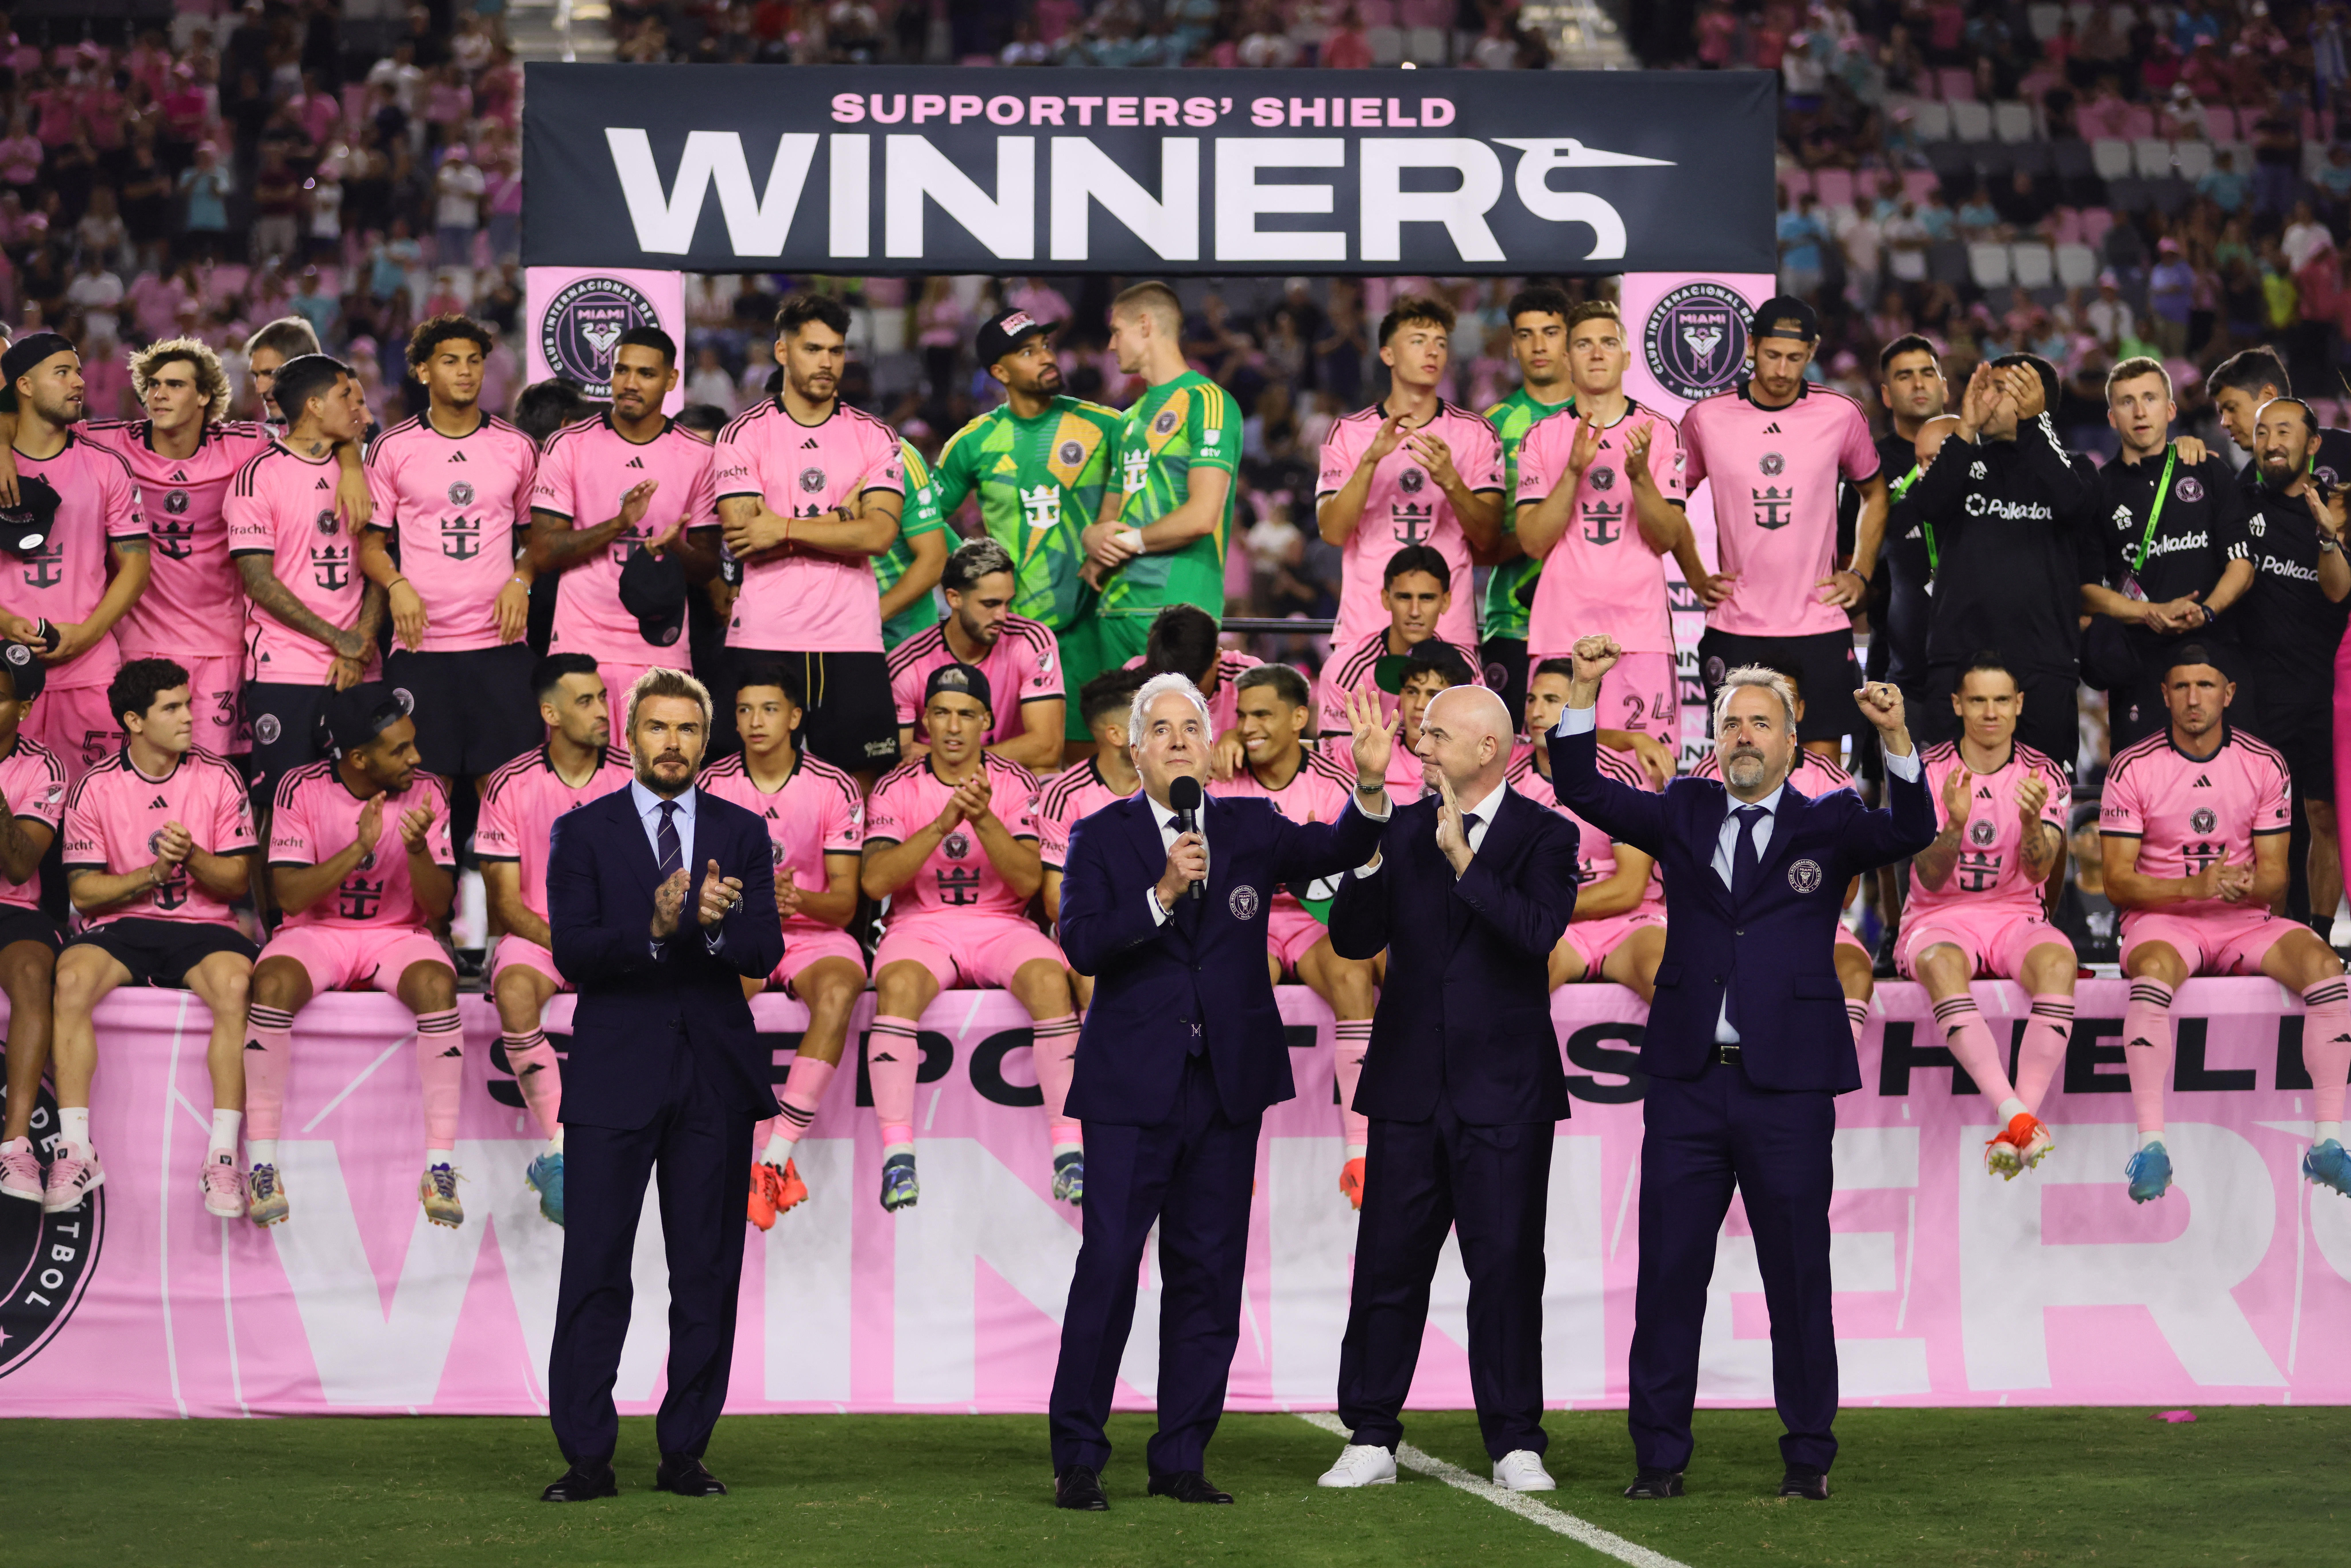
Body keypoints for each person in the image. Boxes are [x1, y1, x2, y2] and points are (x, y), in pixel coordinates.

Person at [1549, 635, 1933, 1502]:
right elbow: (1579, 787)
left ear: (1794, 743)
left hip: (1788, 1085)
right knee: (1668, 1273)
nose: (1747, 737)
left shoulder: (1829, 822)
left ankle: (1807, 1457)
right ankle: (1657, 1460)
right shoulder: (1681, 809)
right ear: (1713, 738)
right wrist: (1582, 691)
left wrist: (1899, 741)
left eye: (1764, 724)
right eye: (1733, 724)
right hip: (1687, 1081)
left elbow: (1913, 827)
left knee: (1797, 1275)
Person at [1046, 674, 1395, 1512]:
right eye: (1158, 728)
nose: (1175, 739)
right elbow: (1083, 943)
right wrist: (1162, 895)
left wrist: (1374, 788)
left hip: (1225, 1086)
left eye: (1189, 726)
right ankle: (1080, 1458)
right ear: (1134, 751)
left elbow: (1334, 851)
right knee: (1107, 1269)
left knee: (1208, 1275)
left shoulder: (1248, 823)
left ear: (1209, 745)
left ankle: (1181, 1456)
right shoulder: (1099, 837)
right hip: (1132, 1088)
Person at [1317, 682, 1578, 1494]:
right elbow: (1353, 936)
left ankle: (1515, 1441)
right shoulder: (1394, 829)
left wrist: (1465, 860)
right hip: (1406, 1087)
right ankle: (1369, 1433)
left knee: (1506, 1270)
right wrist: (1366, 813)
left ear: (1487, 750)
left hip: (1506, 1092)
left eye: (1434, 736)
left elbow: (1536, 934)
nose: (1418, 745)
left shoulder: (1547, 837)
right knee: (1387, 1269)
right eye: (1420, 735)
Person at [541, 667, 784, 1503]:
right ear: (631, 735)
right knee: (596, 1269)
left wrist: (713, 932)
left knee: (707, 1274)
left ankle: (685, 1453)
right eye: (657, 728)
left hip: (714, 1077)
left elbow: (765, 950)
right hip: (615, 1072)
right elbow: (572, 951)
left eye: (687, 729)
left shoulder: (742, 831)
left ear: (702, 739)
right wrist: (653, 927)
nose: (672, 743)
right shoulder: (583, 833)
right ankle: (586, 1460)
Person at [2099, 647, 2351, 1203]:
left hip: (2242, 920)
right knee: (2155, 971)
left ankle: (2328, 1141)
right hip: (2163, 919)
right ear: (2164, 694)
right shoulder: (2131, 765)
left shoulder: (2264, 763)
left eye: (2206, 686)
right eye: (2182, 687)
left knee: (2326, 968)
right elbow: (2117, 883)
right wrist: (2196, 886)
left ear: (2228, 693)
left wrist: (2242, 886)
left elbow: (2275, 879)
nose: (2194, 699)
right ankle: (2152, 1145)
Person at [44, 658, 258, 1216]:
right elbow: (85, 894)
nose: (191, 716)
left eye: (188, 703)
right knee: (68, 979)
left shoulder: (218, 775)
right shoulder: (95, 786)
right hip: (124, 925)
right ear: (135, 721)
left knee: (236, 986)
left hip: (203, 926)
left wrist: (191, 857)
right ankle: (74, 1147)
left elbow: (238, 882)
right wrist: (152, 875)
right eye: (173, 707)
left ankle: (223, 1158)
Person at [242, 684, 457, 1228]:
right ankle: (263, 1161)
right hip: (319, 931)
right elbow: (290, 897)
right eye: (400, 750)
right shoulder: (301, 787)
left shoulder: (429, 790)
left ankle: (440, 1164)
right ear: (359, 758)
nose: (417, 758)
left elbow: (438, 907)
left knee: (437, 986)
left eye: (413, 744)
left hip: (394, 932)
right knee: (270, 986)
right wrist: (360, 846)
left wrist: (416, 850)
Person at [861, 664, 1075, 1208]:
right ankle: (897, 1157)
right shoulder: (895, 784)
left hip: (1001, 922)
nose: (952, 726)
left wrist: (982, 820)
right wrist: (939, 824)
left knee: (1052, 979)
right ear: (926, 720)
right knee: (900, 985)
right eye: (941, 713)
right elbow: (874, 881)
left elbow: (1029, 882)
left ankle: (1069, 1152)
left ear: (986, 721)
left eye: (965, 714)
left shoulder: (1015, 781)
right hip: (921, 925)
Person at [1678, 296, 1888, 757]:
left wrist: (1861, 571)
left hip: (1818, 619)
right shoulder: (1707, 418)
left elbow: (1875, 493)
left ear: (1812, 352)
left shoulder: (1840, 414)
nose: (1782, 369)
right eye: (1772, 355)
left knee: (1821, 765)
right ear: (1751, 346)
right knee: (1739, 761)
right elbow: (1671, 501)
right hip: (1738, 621)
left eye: (1795, 358)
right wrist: (1695, 574)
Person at [710, 293, 906, 779]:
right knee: (751, 782)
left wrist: (785, 526)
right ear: (782, 352)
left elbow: (879, 535)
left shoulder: (875, 435)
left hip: (851, 636)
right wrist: (844, 518)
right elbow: (745, 536)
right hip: (765, 633)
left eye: (836, 351)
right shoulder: (743, 434)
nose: (827, 362)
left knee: (860, 783)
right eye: (813, 349)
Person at [698, 664, 867, 1227]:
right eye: (744, 710)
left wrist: (799, 900)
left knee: (842, 990)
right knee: (707, 999)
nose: (754, 722)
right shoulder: (712, 785)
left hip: (813, 935)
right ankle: (731, 1146)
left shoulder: (834, 785)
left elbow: (844, 905)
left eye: (768, 709)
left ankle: (774, 1156)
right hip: (742, 933)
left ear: (794, 716)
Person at [1899, 653, 2079, 1176]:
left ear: (2019, 705)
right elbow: (1928, 878)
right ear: (1957, 705)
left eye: (2001, 699)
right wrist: (1953, 825)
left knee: (2059, 963)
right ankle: (2017, 1115)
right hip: (1940, 913)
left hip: (2013, 913)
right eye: (1977, 699)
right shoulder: (1926, 771)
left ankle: (2018, 1119)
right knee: (1940, 963)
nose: (1990, 712)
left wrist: (2029, 820)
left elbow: (2040, 871)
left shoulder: (2043, 775)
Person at [1212, 662, 1382, 1204]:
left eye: (1263, 714)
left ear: (1299, 718)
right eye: (1241, 715)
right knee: (1229, 988)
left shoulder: (1333, 784)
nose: (1248, 726)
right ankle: (1226, 1156)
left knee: (1354, 975)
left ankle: (1361, 1152)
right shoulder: (1219, 779)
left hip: (1314, 919)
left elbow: (1358, 876)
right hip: (1248, 920)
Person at [476, 654, 636, 1227]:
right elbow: (505, 903)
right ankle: (565, 1145)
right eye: (587, 701)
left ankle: (565, 1161)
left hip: (617, 933)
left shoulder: (633, 776)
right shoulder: (509, 781)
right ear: (551, 712)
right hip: (539, 935)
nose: (603, 711)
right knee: (516, 990)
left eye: (603, 698)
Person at [361, 315, 543, 811]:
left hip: (499, 645)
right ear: (423, 371)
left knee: (504, 797)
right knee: (422, 799)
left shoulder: (516, 446)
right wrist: (397, 584)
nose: (465, 372)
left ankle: (508, 894)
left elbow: (541, 540)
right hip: (422, 648)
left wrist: (522, 577)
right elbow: (370, 546)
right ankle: (426, 893)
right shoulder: (393, 447)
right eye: (450, 361)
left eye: (474, 361)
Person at [928, 307, 1122, 736]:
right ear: (1000, 371)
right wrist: (971, 566)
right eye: (1027, 352)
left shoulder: (1107, 426)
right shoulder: (972, 443)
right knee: (1020, 763)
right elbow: (922, 517)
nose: (1047, 358)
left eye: (1046, 347)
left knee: (1095, 762)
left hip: (1097, 623)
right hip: (1014, 635)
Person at [1512, 301, 1697, 751]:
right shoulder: (1541, 436)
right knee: (1558, 765)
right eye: (1584, 344)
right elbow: (1533, 541)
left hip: (1641, 633)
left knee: (1647, 773)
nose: (1597, 354)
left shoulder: (1658, 430)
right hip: (1562, 631)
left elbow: (1667, 537)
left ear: (1626, 358)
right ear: (1567, 359)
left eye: (1609, 343)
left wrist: (1640, 478)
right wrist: (1573, 472)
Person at [1908, 356, 2100, 766]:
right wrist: (1965, 429)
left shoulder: (2077, 468)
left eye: (2000, 388)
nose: (1985, 397)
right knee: (1945, 797)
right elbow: (1927, 504)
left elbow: (2073, 507)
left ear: (2035, 400)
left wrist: (2035, 427)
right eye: (1985, 387)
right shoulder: (1964, 461)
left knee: (2043, 803)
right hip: (1958, 660)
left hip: (2043, 665)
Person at [227, 354, 388, 809]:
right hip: (287, 671)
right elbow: (259, 583)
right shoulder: (258, 478)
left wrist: (360, 644)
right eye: (345, 397)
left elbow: (379, 565)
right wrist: (343, 641)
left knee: (367, 807)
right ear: (315, 406)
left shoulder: (365, 474)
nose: (358, 409)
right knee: (279, 809)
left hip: (361, 667)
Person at [529, 326, 721, 701]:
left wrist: (674, 548)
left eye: (646, 374)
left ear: (671, 380)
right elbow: (544, 553)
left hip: (661, 647)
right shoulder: (568, 445)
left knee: (655, 762)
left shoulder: (700, 457)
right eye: (622, 371)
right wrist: (618, 524)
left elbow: (708, 568)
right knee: (580, 762)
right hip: (580, 645)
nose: (630, 383)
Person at [1688, 661, 1876, 1045]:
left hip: (1811, 920)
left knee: (1855, 970)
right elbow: (1691, 875)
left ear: (1797, 714)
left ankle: (1828, 1067)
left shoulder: (1833, 781)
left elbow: (1849, 890)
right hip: (1728, 924)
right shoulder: (1706, 773)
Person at [1072, 282, 1237, 707]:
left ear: (1146, 325)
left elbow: (1202, 516)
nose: (1110, 344)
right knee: (1121, 754)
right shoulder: (1127, 421)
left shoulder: (1207, 402)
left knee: (1175, 746)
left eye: (1117, 331)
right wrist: (1093, 539)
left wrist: (1124, 542)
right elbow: (1108, 518)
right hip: (1115, 611)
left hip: (1177, 614)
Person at [1315, 292, 1505, 653]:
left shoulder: (1476, 432)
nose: (1432, 352)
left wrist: (1450, 480)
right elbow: (1333, 531)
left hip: (1449, 632)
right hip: (1365, 628)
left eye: (1440, 344)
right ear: (1388, 354)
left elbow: (1487, 538)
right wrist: (1370, 462)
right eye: (1418, 342)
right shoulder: (1349, 432)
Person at [0, 332, 150, 776]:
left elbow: (137, 566)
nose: (79, 383)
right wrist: (6, 622)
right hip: (6, 673)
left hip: (90, 672)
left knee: (93, 813)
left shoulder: (106, 465)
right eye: (62, 373)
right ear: (24, 386)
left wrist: (87, 635)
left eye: (80, 372)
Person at [2084, 358, 2252, 752]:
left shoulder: (2209, 471)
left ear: (2171, 409)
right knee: (2145, 799)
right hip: (2140, 666)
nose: (2140, 412)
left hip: (2217, 654)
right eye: (2127, 402)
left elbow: (2242, 565)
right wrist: (2150, 613)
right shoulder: (2097, 490)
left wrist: (2207, 610)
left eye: (2150, 398)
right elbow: (2086, 590)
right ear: (2112, 418)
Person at [2237, 398, 2349, 927]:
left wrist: (2328, 534)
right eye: (2262, 432)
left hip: (2325, 693)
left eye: (2285, 430)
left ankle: (2323, 938)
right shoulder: (2238, 502)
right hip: (2260, 692)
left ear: (2314, 443)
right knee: (2264, 826)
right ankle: (2268, 935)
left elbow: (2337, 593)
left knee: (2324, 815)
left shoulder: (2337, 511)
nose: (2272, 441)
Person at [1510, 657, 1667, 1000]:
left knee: (1669, 980)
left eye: (1552, 701)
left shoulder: (1621, 775)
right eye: (1531, 699)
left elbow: (1628, 889)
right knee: (1512, 986)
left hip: (1628, 923)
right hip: (1554, 928)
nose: (1536, 711)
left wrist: (1540, 907)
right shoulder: (1507, 774)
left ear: (1580, 706)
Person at [1479, 286, 1577, 714]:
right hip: (1514, 623)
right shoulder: (1493, 425)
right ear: (1513, 347)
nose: (1539, 345)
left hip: (1592, 623)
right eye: (1526, 334)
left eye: (1551, 332)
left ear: (1571, 339)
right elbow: (1482, 546)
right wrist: (1541, 527)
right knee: (1508, 758)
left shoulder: (1608, 416)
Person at [888, 538, 1064, 771]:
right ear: (954, 599)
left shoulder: (1032, 640)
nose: (1002, 615)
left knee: (1046, 772)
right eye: (990, 604)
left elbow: (1047, 749)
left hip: (1009, 777)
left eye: (1007, 603)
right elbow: (900, 758)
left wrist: (952, 758)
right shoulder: (907, 664)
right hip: (936, 782)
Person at [0, 645, 69, 1204]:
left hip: (14, 906)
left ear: (23, 708)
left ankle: (17, 1146)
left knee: (32, 971)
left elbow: (21, 863)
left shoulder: (44, 768)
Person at [1037, 666, 1149, 1006]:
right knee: (1096, 983)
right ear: (1117, 735)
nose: (1165, 731)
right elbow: (1056, 900)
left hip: (1168, 930)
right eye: (1151, 722)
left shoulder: (1177, 785)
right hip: (1095, 935)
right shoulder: (1064, 795)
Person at [1860, 335, 1950, 715]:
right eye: (1905, 376)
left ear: (1944, 387)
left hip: (1976, 651)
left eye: (1928, 373)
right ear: (1885, 394)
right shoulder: (1868, 466)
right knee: (1898, 771)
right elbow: (1851, 555)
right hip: (1899, 652)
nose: (1918, 384)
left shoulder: (1981, 454)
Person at [2207, 346, 2351, 494]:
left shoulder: (2344, 451)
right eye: (2222, 413)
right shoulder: (2243, 491)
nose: (2225, 423)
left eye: (2232, 408)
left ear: (2268, 397)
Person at [1138, 603, 1259, 741]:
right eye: (1171, 683)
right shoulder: (1137, 679)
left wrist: (1238, 739)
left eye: (1194, 684)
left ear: (1217, 658)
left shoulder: (1250, 677)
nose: (1185, 694)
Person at [877, 436, 950, 652]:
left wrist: (865, 622)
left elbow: (935, 559)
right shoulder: (780, 449)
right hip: (813, 640)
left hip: (908, 643)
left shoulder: (897, 453)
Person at [2052, 800, 2120, 965]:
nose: (2097, 838)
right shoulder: (2058, 899)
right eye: (2087, 831)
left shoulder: (2131, 894)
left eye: (2103, 831)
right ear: (2072, 845)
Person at [243, 316, 322, 428]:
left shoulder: (343, 437)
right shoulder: (264, 440)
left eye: (270, 374)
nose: (260, 389)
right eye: (256, 375)